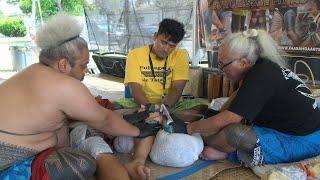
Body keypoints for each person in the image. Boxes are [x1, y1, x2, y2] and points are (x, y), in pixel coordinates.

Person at [0, 13, 160, 180]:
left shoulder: (32, 71)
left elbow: (61, 127)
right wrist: (140, 130)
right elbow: (105, 120)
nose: (85, 73)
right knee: (81, 163)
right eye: (83, 66)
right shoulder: (64, 85)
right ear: (63, 64)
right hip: (6, 157)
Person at [184, 29, 320, 167]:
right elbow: (231, 106)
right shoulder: (258, 67)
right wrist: (210, 119)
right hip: (286, 127)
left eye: (223, 65)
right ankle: (220, 148)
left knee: (234, 134)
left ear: (243, 62)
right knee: (214, 119)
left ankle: (228, 152)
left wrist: (190, 129)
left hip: (304, 139)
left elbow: (230, 118)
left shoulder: (261, 75)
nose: (221, 70)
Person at [123, 18, 189, 179]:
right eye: (163, 42)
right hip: (141, 101)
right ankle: (138, 160)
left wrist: (165, 108)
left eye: (172, 45)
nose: (166, 48)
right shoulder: (135, 55)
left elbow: (177, 87)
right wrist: (149, 107)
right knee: (114, 109)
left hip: (169, 103)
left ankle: (156, 122)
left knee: (199, 109)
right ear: (155, 36)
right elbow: (135, 88)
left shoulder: (181, 55)